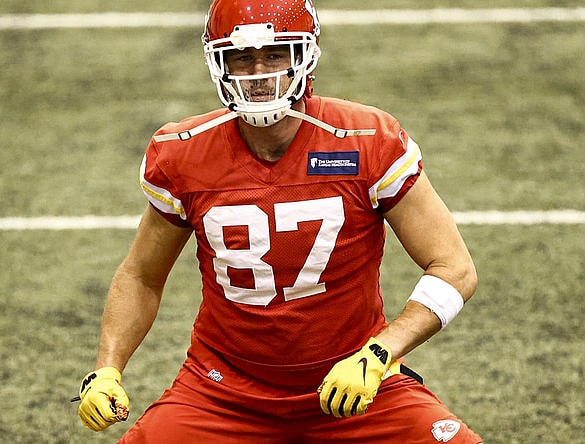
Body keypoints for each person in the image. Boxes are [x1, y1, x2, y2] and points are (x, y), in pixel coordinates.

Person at [76, 0, 482, 442]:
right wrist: (107, 369)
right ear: (218, 61)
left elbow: (453, 268)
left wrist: (381, 352)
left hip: (356, 381)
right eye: (242, 57)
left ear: (304, 57)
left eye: (275, 54)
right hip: (222, 391)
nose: (259, 71)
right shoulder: (183, 153)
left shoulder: (365, 140)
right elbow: (141, 276)